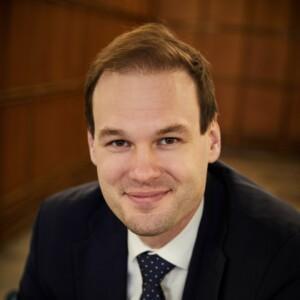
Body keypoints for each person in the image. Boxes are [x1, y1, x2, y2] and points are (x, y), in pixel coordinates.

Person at [19, 23, 300, 300]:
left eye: (168, 140)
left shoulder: (284, 253)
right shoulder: (58, 225)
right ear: (93, 146)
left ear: (212, 140)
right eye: (119, 142)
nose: (143, 173)